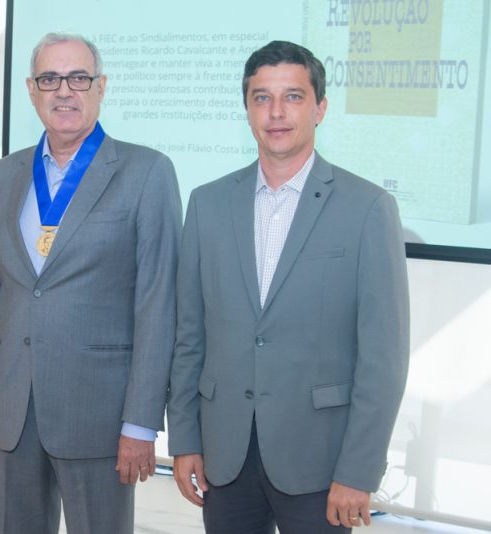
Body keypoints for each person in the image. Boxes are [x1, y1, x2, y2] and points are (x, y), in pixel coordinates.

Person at [167, 40, 410, 533]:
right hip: (225, 456)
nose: (276, 112)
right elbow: (190, 335)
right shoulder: (208, 204)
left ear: (320, 108)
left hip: (321, 463)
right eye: (262, 98)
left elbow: (383, 358)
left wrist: (358, 471)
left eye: (293, 97)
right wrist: (185, 439)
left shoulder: (367, 208)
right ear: (247, 109)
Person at [0, 32, 182, 533]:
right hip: (14, 404)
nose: (64, 91)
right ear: (31, 90)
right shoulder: (6, 173)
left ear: (101, 86)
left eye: (78, 78)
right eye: (50, 79)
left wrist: (141, 421)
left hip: (100, 412)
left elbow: (158, 304)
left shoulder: (146, 172)